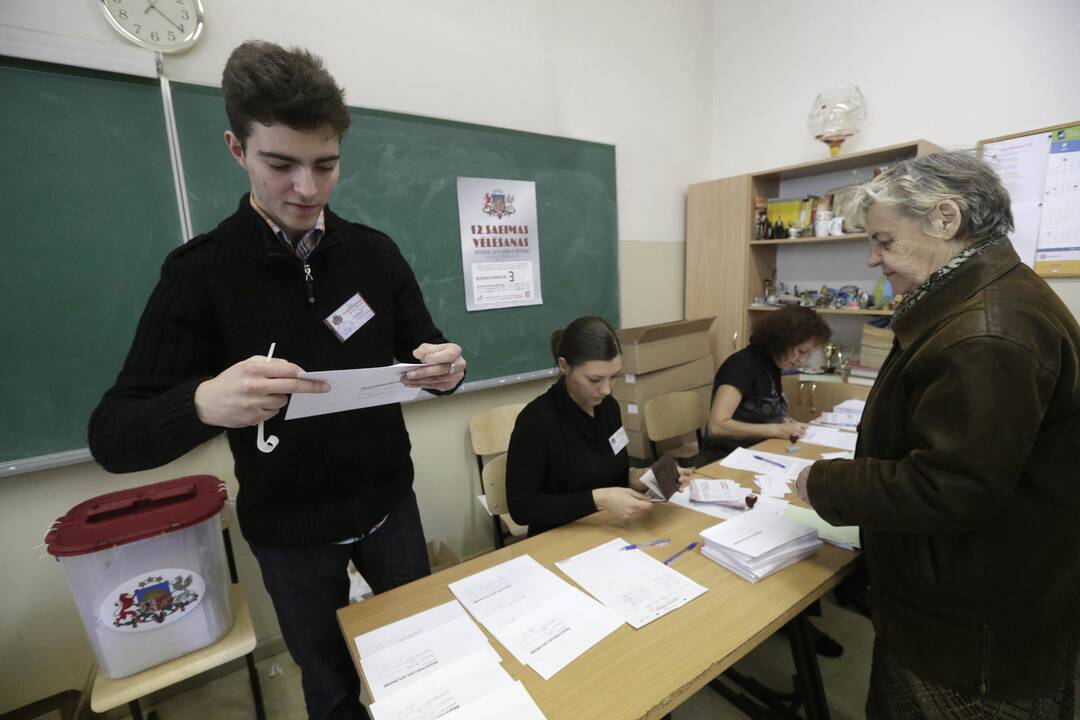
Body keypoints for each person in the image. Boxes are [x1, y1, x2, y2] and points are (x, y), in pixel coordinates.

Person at [88, 41, 465, 720]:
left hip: (388, 510)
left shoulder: (375, 254)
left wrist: (446, 370)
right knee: (327, 684)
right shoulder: (198, 273)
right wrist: (204, 402)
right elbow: (113, 435)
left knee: (422, 655)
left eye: (326, 165)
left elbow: (423, 349)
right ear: (237, 148)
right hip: (290, 534)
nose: (307, 188)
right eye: (280, 164)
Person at [795, 151, 1080, 718]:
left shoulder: (987, 330)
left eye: (884, 241)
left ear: (945, 220)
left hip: (973, 632)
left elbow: (950, 486)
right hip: (983, 597)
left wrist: (824, 482)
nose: (874, 259)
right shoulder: (986, 299)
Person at [506, 316, 690, 536]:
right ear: (564, 366)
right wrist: (599, 499)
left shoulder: (608, 408)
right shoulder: (537, 420)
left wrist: (647, 477)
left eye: (614, 377)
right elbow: (522, 509)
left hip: (607, 526)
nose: (606, 389)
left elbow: (614, 475)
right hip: (558, 536)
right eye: (595, 380)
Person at [698, 305, 832, 466]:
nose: (802, 360)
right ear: (782, 341)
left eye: (808, 353)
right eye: (801, 351)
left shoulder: (772, 364)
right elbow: (717, 426)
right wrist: (775, 429)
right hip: (724, 458)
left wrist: (785, 421)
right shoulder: (742, 365)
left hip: (758, 451)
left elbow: (761, 410)